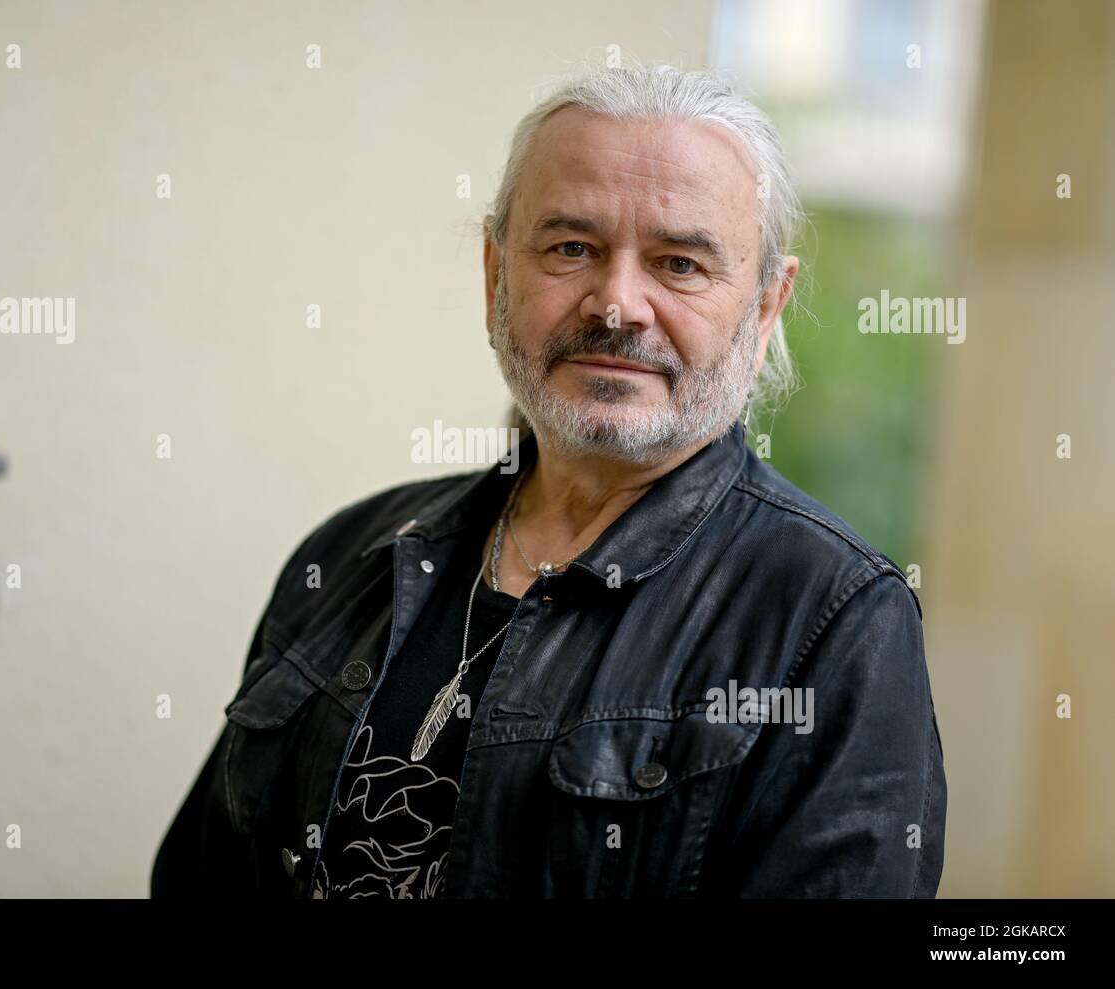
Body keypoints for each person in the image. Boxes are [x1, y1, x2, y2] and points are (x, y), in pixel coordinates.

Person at [151, 62, 946, 899]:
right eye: (572, 248)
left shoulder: (832, 617)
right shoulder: (351, 552)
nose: (616, 304)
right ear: (496, 272)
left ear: (764, 307)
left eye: (679, 263)